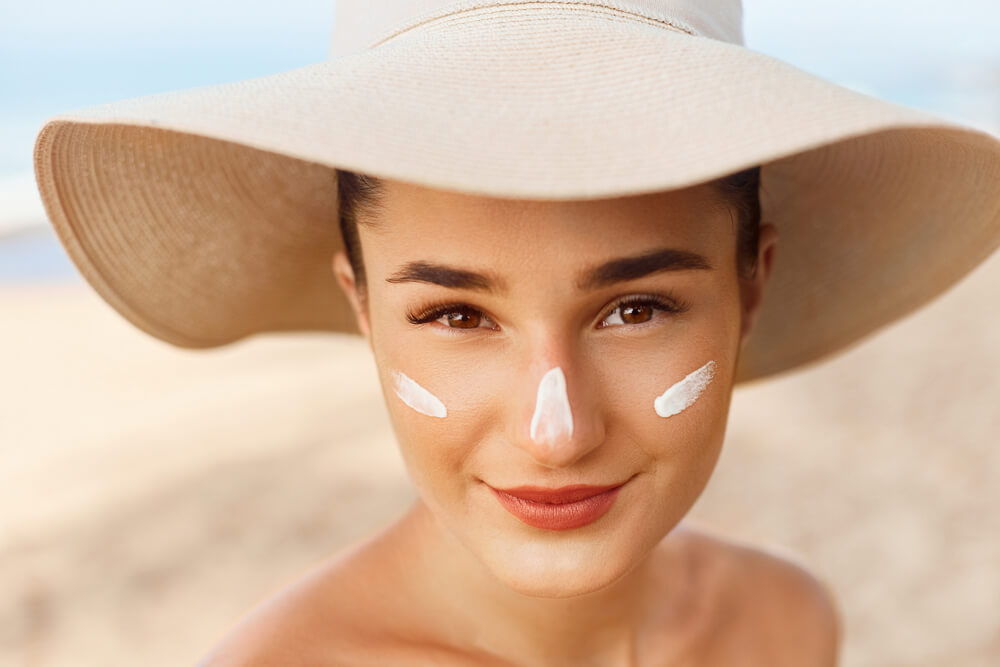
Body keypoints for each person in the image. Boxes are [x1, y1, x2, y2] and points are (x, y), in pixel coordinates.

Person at [32, 1, 1000, 665]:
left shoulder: (783, 623)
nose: (557, 430)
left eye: (635, 308)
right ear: (361, 304)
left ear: (752, 283)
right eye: (456, 314)